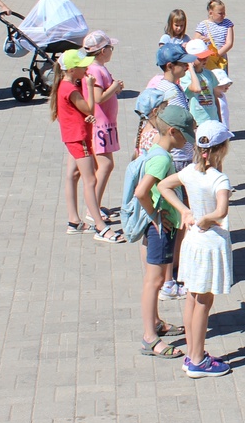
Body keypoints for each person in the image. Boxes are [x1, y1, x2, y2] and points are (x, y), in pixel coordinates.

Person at [158, 120, 234, 378]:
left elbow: (163, 186)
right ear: (221, 149)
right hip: (209, 245)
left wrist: (185, 211)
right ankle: (198, 361)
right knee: (204, 301)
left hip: (191, 242)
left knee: (192, 297)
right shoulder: (219, 179)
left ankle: (192, 353)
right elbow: (221, 211)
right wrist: (207, 218)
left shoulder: (190, 171)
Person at [134, 104, 196, 358]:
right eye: (185, 136)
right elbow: (141, 192)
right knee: (155, 281)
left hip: (160, 226)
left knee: (155, 279)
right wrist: (155, 216)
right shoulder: (162, 159)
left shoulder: (157, 151)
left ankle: (156, 322)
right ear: (172, 131)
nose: (187, 142)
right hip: (159, 228)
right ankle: (150, 338)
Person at [51, 48, 115, 239]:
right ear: (71, 70)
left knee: (73, 175)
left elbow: (76, 112)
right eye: (82, 67)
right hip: (78, 138)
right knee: (91, 180)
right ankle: (100, 226)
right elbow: (89, 108)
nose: (86, 69)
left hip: (73, 135)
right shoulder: (71, 89)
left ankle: (74, 221)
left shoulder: (66, 85)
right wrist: (90, 86)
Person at [83, 30, 124, 225]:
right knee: (106, 165)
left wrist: (115, 88)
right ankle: (92, 209)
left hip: (106, 123)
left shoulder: (99, 68)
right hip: (101, 124)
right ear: (102, 51)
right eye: (110, 48)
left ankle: (95, 205)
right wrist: (114, 87)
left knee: (105, 165)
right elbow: (98, 98)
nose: (112, 51)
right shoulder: (96, 70)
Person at [152, 43, 196, 169]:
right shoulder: (171, 91)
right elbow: (181, 122)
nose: (187, 66)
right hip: (179, 156)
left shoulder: (170, 86)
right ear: (170, 66)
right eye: (183, 64)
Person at [195, 0, 234, 127]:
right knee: (208, 86)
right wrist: (202, 40)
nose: (223, 15)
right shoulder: (203, 25)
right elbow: (195, 41)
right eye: (220, 13)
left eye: (224, 12)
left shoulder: (227, 23)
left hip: (220, 61)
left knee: (220, 88)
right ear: (210, 12)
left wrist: (218, 54)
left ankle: (222, 121)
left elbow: (229, 43)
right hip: (207, 61)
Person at [180, 39, 223, 125]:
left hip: (212, 119)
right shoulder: (186, 76)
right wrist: (191, 68)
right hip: (197, 121)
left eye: (206, 57)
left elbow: (214, 98)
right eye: (201, 58)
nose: (205, 60)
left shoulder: (209, 74)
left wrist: (219, 120)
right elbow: (196, 89)